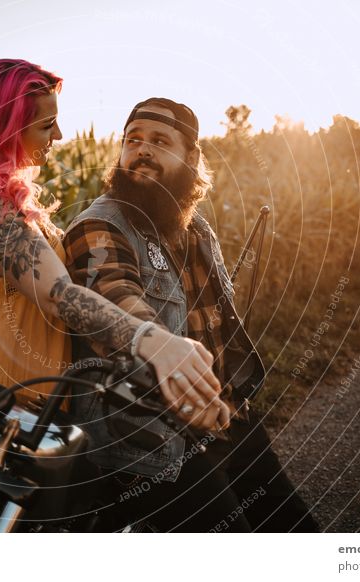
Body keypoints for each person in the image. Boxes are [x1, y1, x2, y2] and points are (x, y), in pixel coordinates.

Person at [0, 60, 226, 445]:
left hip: (21, 409)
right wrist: (156, 342)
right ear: (5, 129)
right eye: (47, 125)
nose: (59, 134)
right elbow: (57, 294)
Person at [64, 97, 319, 532]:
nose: (141, 150)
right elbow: (114, 297)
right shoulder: (100, 226)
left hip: (223, 415)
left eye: (160, 141)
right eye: (133, 140)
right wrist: (167, 356)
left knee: (291, 527)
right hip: (146, 439)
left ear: (191, 157)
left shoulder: (194, 227)